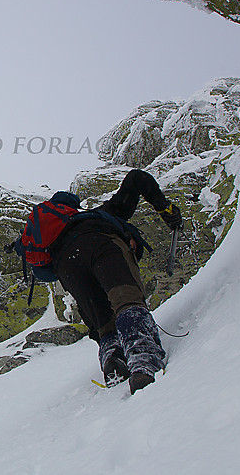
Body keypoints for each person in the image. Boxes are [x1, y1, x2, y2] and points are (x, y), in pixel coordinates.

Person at [28, 169, 182, 394]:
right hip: (101, 244)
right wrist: (165, 209)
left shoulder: (55, 238)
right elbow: (137, 178)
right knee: (127, 302)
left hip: (66, 265)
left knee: (103, 325)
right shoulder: (103, 214)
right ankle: (142, 360)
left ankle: (113, 360)